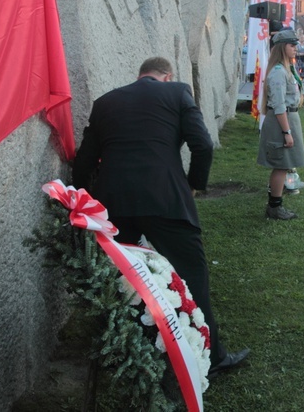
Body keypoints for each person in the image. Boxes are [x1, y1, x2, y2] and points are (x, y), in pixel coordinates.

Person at [72, 56, 250, 376]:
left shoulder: (105, 103)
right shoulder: (178, 93)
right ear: (167, 76)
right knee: (192, 275)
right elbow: (203, 146)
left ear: (140, 76)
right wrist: (195, 185)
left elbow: (84, 161)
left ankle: (119, 354)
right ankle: (213, 358)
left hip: (114, 204)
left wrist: (82, 202)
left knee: (123, 281)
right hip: (165, 198)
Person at [257, 29, 304, 220]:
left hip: (288, 118)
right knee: (280, 165)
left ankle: (275, 205)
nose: (296, 48)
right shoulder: (279, 72)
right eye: (292, 45)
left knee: (283, 165)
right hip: (282, 121)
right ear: (281, 48)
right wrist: (287, 131)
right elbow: (279, 106)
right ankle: (274, 207)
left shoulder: (286, 69)